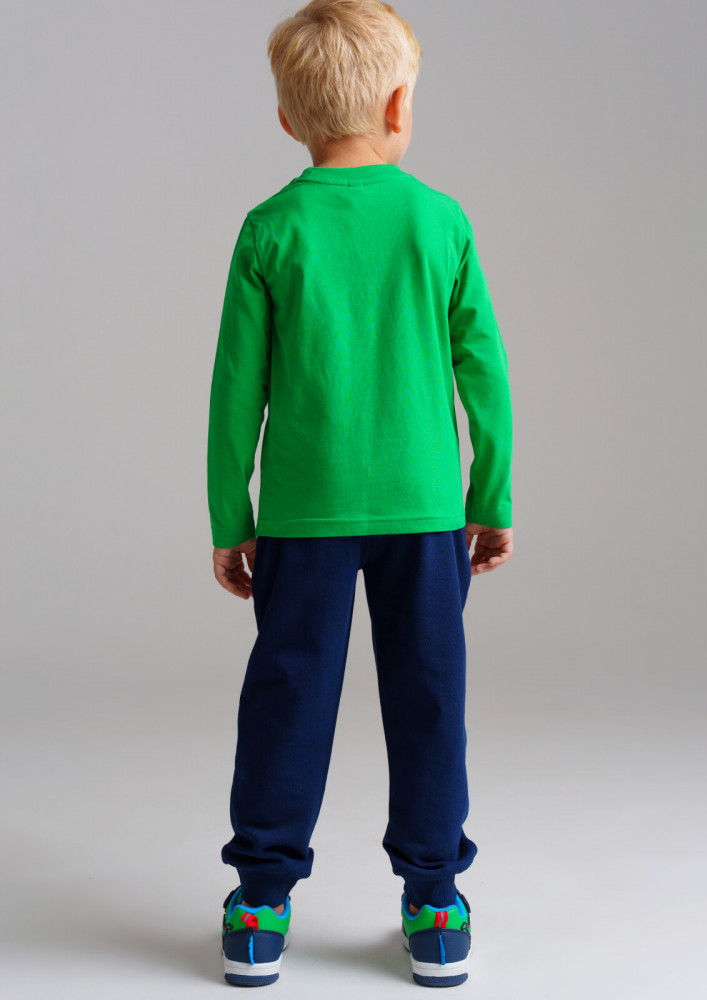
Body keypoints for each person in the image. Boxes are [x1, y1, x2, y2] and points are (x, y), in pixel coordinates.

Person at [207, 0, 514, 987]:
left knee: (288, 697)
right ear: (398, 105)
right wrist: (492, 495)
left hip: (303, 518)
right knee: (429, 698)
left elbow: (235, 391)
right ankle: (435, 900)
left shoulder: (270, 228)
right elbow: (484, 372)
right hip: (426, 515)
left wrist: (231, 518)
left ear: (287, 119)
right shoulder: (440, 220)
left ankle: (260, 902)